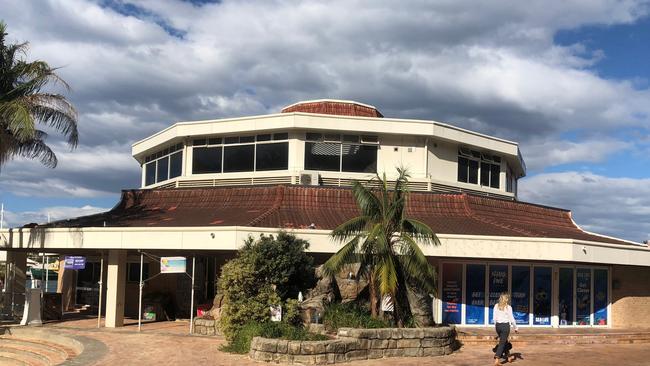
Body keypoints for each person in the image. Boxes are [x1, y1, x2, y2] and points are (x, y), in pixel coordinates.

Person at [493, 292, 518, 365]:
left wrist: (496, 326)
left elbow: (494, 318)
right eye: (507, 298)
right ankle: (497, 359)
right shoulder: (508, 307)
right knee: (502, 343)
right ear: (506, 299)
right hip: (505, 327)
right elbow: (512, 319)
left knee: (505, 341)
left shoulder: (496, 306)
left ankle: (509, 357)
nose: (508, 299)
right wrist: (516, 327)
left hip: (498, 326)